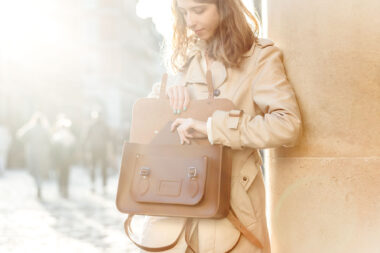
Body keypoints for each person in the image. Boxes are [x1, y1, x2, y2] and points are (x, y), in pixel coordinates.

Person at [140, 0, 302, 252]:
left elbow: (287, 125)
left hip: (233, 211)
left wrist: (214, 128)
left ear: (224, 6)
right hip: (173, 210)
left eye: (198, 10)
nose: (190, 21)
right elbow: (149, 126)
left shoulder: (259, 57)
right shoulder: (184, 59)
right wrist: (169, 95)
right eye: (183, 13)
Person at [17, 112, 51, 199]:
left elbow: (20, 135)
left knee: (34, 170)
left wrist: (27, 142)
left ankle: (38, 185)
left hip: (32, 152)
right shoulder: (45, 129)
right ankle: (39, 186)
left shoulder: (30, 128)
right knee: (40, 170)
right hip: (42, 153)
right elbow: (50, 140)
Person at [51, 114, 76, 198]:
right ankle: (65, 189)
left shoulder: (57, 136)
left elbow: (54, 149)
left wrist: (54, 159)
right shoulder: (70, 136)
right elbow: (73, 148)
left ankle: (61, 188)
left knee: (60, 174)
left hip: (60, 159)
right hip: (67, 159)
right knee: (66, 174)